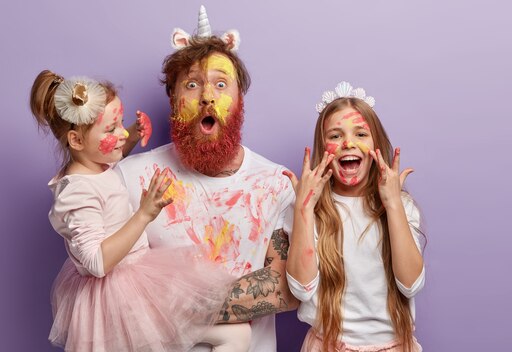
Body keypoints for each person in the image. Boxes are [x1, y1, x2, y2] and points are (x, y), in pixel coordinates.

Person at [115, 6, 298, 351]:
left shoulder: (277, 183)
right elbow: (112, 289)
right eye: (193, 84)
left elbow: (285, 288)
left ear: (239, 100)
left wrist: (171, 304)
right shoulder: (131, 177)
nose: (208, 97)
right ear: (173, 99)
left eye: (220, 84)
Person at [30, 70, 251, 351]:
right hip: (116, 299)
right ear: (76, 141)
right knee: (234, 335)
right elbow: (96, 263)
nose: (120, 133)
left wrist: (132, 134)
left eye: (120, 123)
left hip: (136, 279)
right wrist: (144, 214)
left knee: (235, 334)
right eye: (111, 129)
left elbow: (109, 159)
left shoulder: (93, 164)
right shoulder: (76, 192)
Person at [283, 81, 426, 352]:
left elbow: (411, 285)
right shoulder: (309, 208)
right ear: (323, 147)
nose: (348, 143)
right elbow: (301, 289)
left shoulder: (401, 205)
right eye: (335, 136)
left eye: (360, 134)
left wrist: (393, 204)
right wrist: (304, 209)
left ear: (376, 146)